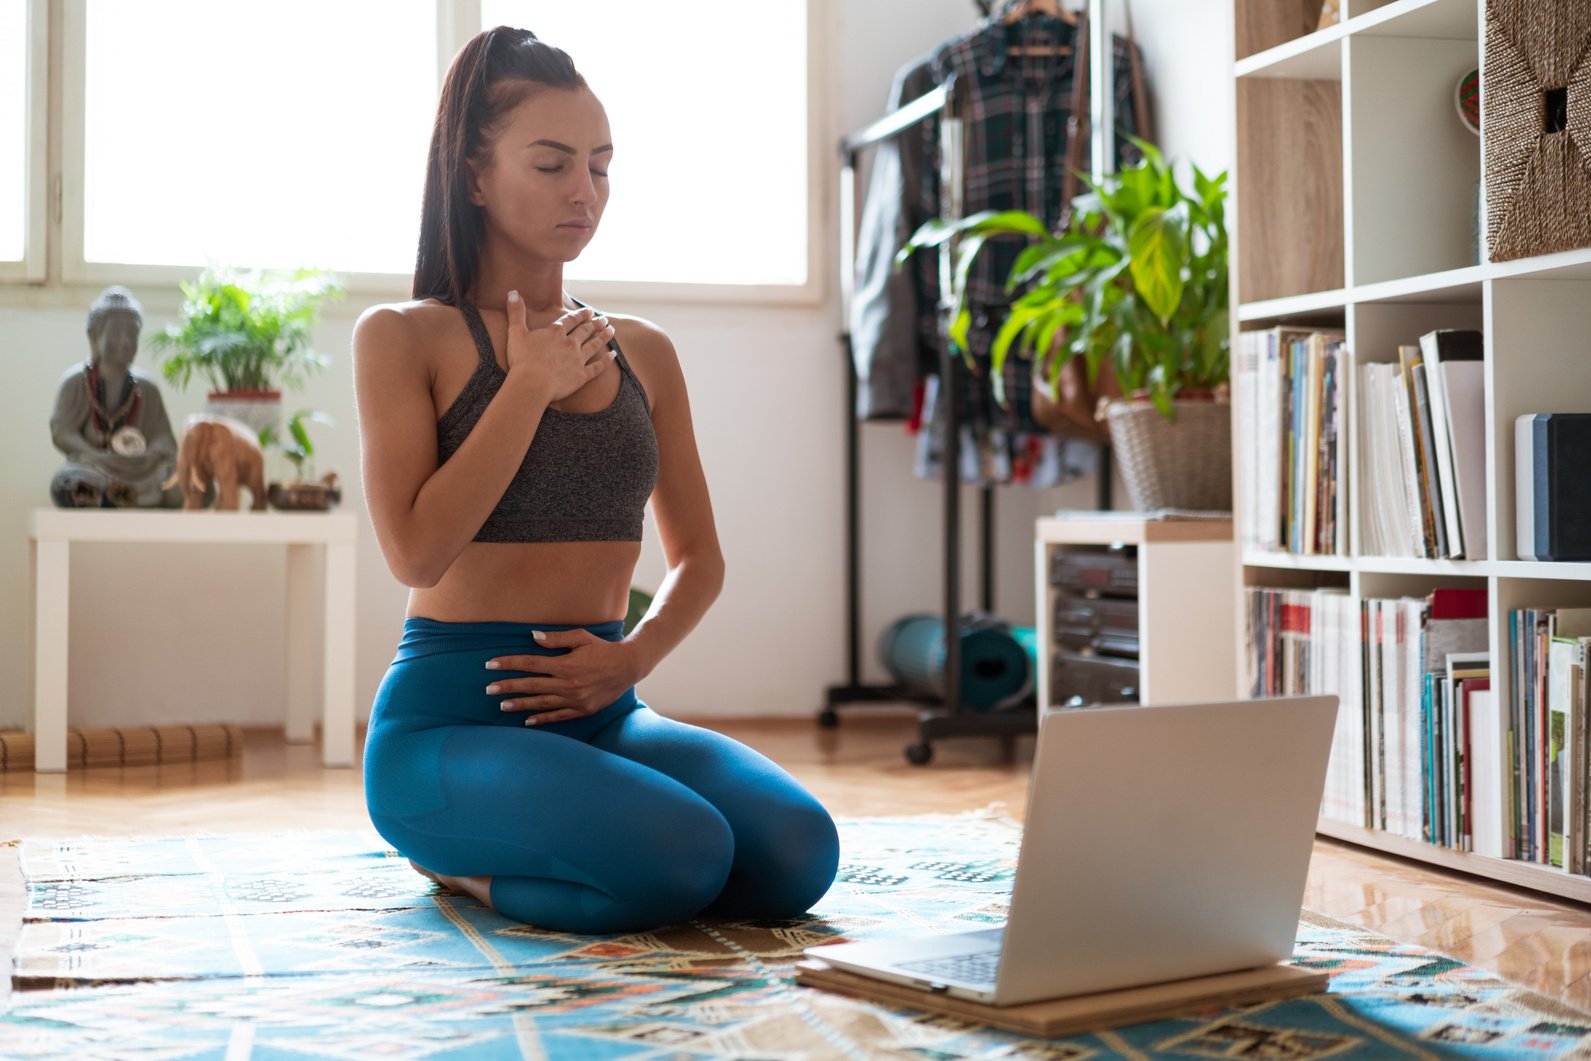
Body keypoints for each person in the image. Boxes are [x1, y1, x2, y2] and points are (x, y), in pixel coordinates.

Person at [354, 26, 840, 935]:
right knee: (684, 854)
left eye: (601, 166)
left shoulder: (643, 350)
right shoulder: (402, 337)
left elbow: (699, 558)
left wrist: (634, 658)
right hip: (451, 726)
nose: (584, 192)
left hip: (605, 709)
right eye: (550, 165)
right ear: (472, 176)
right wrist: (527, 386)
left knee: (798, 851)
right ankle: (459, 867)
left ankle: (588, 845)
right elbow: (415, 551)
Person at [48, 286, 182, 508]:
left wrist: (148, 456)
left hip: (142, 469)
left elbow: (164, 438)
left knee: (183, 481)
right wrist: (93, 454)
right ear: (95, 335)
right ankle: (114, 495)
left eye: (132, 334)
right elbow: (63, 432)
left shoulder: (146, 388)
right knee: (67, 481)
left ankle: (117, 497)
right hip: (95, 465)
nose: (125, 341)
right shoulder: (75, 382)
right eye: (117, 333)